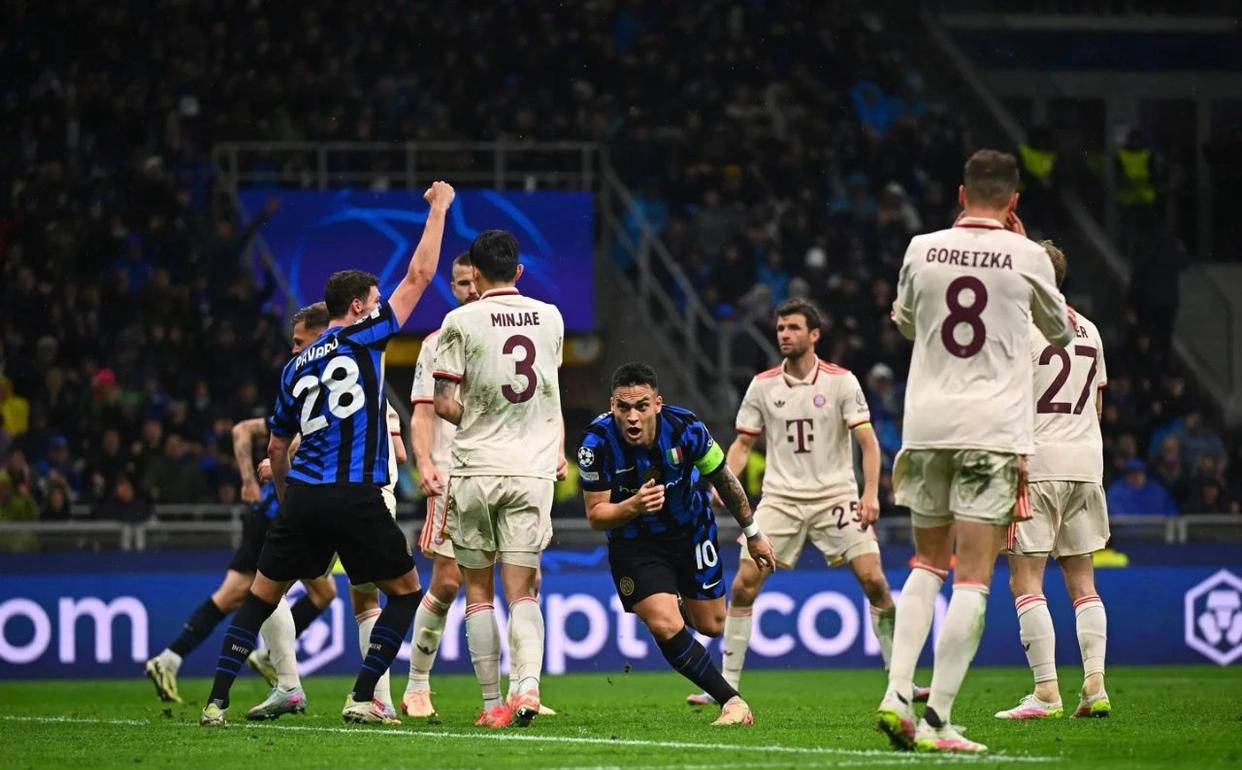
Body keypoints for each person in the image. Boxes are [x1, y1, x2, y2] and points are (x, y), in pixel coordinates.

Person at [199, 180, 455, 727]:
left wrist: (287, 496)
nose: (381, 305)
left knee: (260, 597)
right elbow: (419, 276)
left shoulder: (294, 366)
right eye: (375, 300)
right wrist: (439, 209)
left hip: (304, 498)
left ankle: (216, 701)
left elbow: (276, 445)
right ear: (358, 306)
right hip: (357, 495)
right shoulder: (367, 336)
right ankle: (363, 696)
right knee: (406, 592)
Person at [876, 150, 1075, 754]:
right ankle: (937, 721)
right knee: (972, 578)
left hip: (927, 425)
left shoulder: (921, 247)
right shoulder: (1029, 255)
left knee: (926, 563)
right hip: (991, 430)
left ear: (961, 195)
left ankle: (896, 693)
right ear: (1013, 201)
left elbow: (905, 323)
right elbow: (1059, 333)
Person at [686, 298, 926, 705]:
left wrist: (870, 493)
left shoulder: (842, 381)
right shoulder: (763, 385)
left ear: (814, 335)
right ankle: (725, 687)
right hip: (781, 499)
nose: (784, 334)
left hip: (836, 496)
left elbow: (867, 442)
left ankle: (901, 680)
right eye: (781, 328)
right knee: (743, 586)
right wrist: (723, 483)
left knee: (874, 581)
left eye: (793, 328)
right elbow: (743, 443)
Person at [145, 303, 337, 713]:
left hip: (269, 512)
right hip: (275, 513)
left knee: (238, 594)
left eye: (298, 343)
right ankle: (268, 661)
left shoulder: (316, 388)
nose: (294, 350)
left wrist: (255, 478)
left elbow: (252, 433)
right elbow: (248, 432)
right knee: (309, 592)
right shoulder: (307, 389)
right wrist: (250, 479)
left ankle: (171, 658)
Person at [578, 362, 777, 727]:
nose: (632, 417)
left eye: (641, 406)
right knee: (664, 623)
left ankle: (677, 599)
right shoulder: (596, 444)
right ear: (612, 406)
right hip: (635, 543)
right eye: (624, 407)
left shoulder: (687, 429)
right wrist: (634, 506)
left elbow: (725, 480)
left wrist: (753, 533)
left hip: (692, 531)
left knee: (713, 625)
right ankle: (732, 702)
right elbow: (596, 515)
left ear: (658, 404)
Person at [431, 230, 566, 728]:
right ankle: (528, 686)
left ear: (475, 274)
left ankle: (492, 705)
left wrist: (479, 417)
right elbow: (544, 389)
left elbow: (444, 403)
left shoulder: (459, 321)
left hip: (476, 469)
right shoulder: (551, 317)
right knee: (524, 588)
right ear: (519, 271)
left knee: (478, 590)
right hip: (532, 470)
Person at [995, 240, 1113, 721]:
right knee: (1083, 581)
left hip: (1035, 466)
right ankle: (1095, 686)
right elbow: (1097, 407)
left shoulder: (1018, 329)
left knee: (1025, 580)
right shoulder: (1090, 329)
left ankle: (1046, 692)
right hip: (1086, 464)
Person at [1106, 459, 1178, 516]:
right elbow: (1115, 514)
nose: (1136, 477)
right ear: (1126, 475)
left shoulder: (1158, 491)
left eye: (1139, 473)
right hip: (1125, 530)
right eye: (1132, 473)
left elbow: (1172, 513)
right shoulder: (1116, 492)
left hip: (1156, 530)